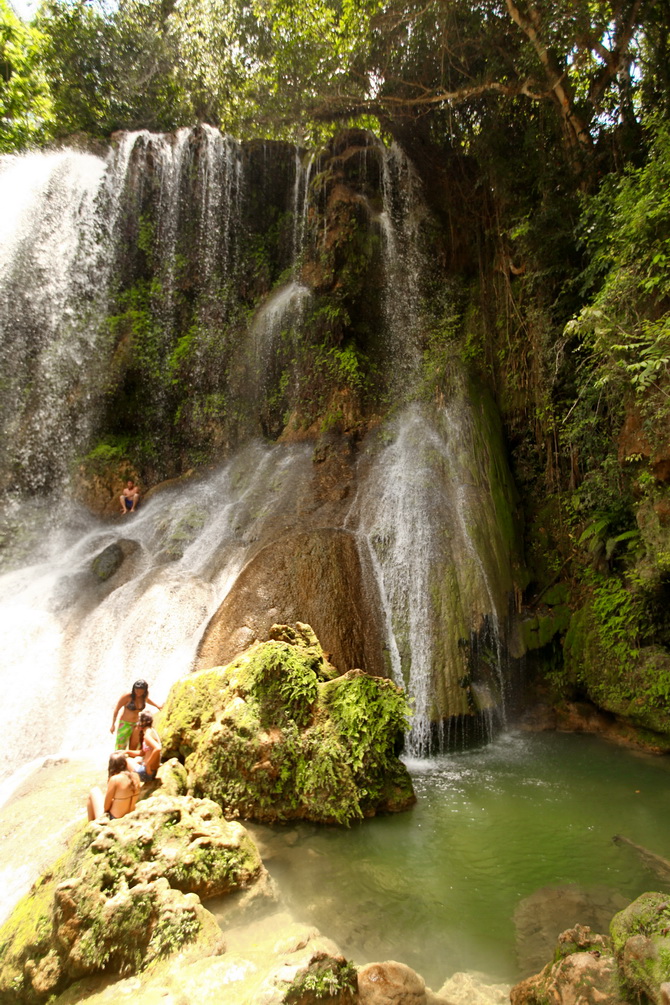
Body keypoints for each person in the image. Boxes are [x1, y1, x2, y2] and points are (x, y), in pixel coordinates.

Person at [87, 752, 140, 821]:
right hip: (130, 815)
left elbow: (106, 808)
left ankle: (92, 824)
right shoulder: (136, 776)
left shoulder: (115, 779)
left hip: (114, 818)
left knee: (94, 791)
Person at [111, 679, 161, 751]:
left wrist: (157, 706)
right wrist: (113, 724)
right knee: (120, 745)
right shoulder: (127, 697)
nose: (138, 692)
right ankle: (117, 761)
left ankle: (130, 760)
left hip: (136, 724)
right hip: (125, 723)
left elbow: (148, 700)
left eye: (141, 691)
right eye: (136, 690)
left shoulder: (143, 698)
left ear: (144, 691)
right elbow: (116, 710)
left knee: (135, 745)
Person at [126, 711, 162, 782]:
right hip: (150, 770)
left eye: (139, 721)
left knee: (124, 760)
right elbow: (142, 753)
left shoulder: (147, 736)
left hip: (148, 773)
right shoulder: (151, 731)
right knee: (134, 760)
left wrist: (148, 765)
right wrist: (126, 751)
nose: (137, 723)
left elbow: (158, 748)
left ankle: (132, 785)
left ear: (143, 722)